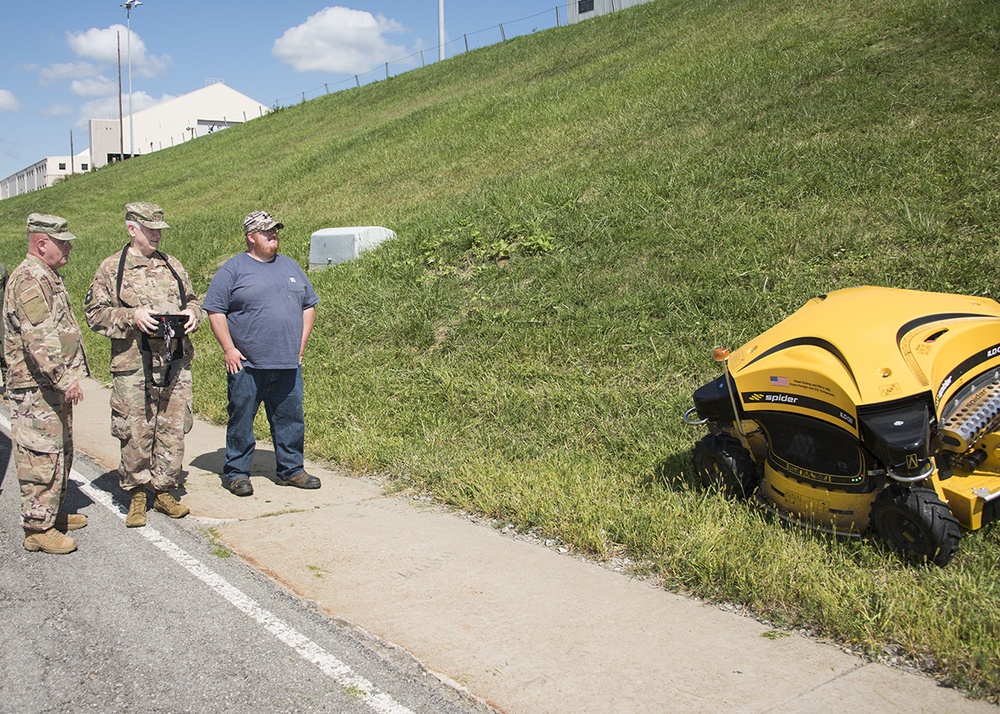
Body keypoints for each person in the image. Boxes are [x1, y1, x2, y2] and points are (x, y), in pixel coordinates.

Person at [85, 202, 201, 527]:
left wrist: (194, 315)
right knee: (136, 429)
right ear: (131, 229)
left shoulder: (172, 265)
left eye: (159, 230)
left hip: (173, 362)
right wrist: (130, 316)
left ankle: (164, 490)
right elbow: (95, 314)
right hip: (133, 365)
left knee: (173, 427)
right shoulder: (112, 268)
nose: (156, 235)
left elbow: (192, 299)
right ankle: (136, 493)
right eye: (150, 229)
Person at [203, 210, 320, 496]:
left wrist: (301, 342)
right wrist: (229, 349)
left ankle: (291, 470)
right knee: (241, 418)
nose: (273, 235)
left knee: (291, 418)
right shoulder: (233, 269)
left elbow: (309, 305)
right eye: (266, 231)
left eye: (274, 230)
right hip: (247, 365)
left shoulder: (291, 266)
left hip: (287, 363)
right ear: (251, 237)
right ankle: (236, 473)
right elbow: (215, 310)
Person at [4, 213, 89, 554]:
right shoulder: (28, 278)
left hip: (48, 386)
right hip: (35, 387)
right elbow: (38, 336)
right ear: (41, 244)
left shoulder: (46, 275)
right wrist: (64, 376)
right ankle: (37, 527)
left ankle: (51, 512)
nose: (68, 246)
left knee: (60, 450)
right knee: (40, 454)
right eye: (61, 241)